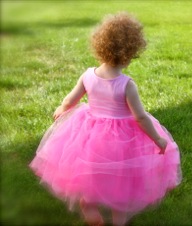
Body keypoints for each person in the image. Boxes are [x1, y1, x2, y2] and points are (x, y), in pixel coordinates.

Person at [29, 12, 181, 226]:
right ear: (129, 54)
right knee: (120, 186)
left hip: (90, 133)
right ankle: (118, 219)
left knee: (92, 174)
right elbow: (140, 117)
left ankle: (91, 210)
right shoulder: (127, 84)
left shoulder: (88, 75)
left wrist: (62, 108)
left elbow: (70, 99)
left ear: (100, 46)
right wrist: (158, 138)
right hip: (123, 139)